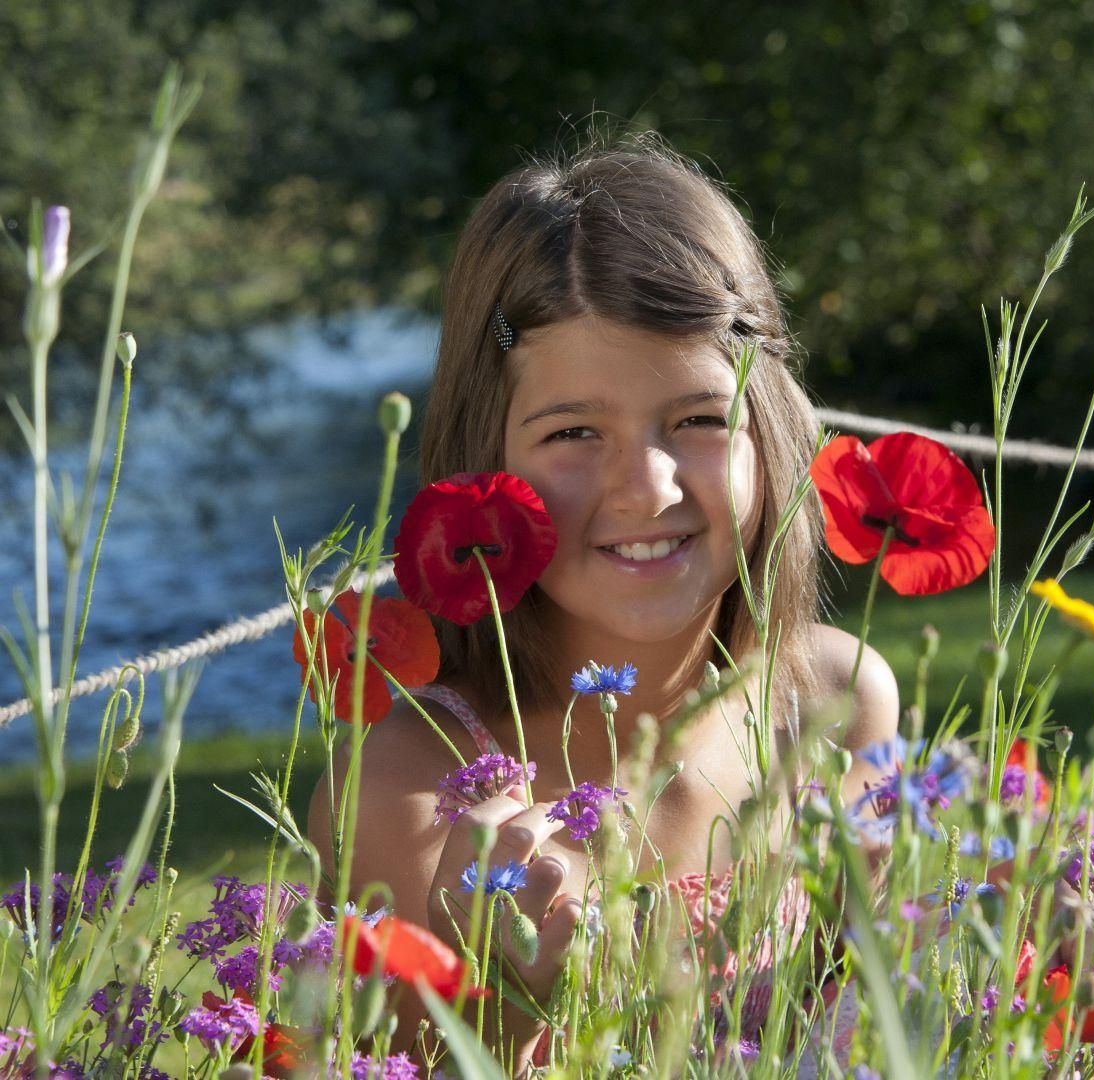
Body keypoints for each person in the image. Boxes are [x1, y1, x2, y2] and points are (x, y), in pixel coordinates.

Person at [307, 139, 900, 1073]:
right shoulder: (412, 790)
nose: (648, 488)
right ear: (485, 460)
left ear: (772, 431)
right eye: (574, 432)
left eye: (700, 419)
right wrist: (503, 1003)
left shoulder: (831, 696)